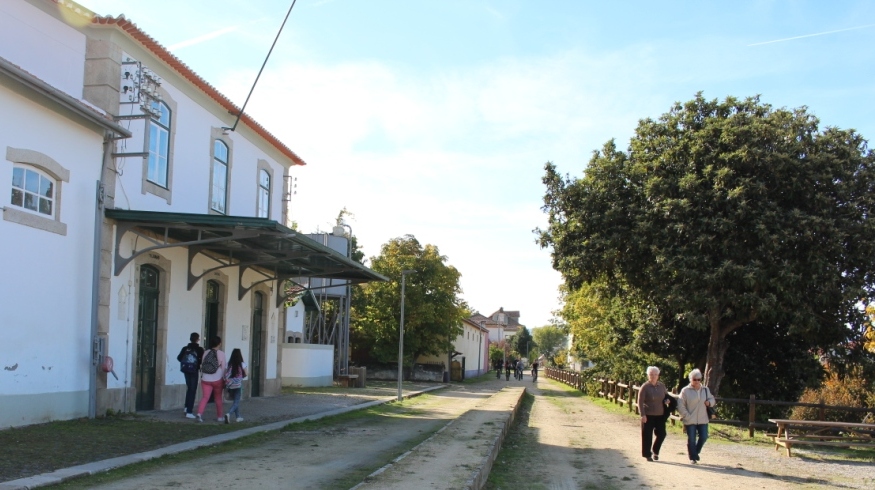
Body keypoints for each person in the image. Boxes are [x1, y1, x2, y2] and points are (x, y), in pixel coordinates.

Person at [677, 368, 716, 464]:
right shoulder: (685, 391)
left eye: (699, 379)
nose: (697, 381)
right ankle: (693, 458)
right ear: (690, 379)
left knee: (704, 437)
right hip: (690, 419)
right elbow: (680, 405)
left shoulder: (705, 389)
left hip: (703, 418)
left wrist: (709, 402)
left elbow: (712, 399)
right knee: (692, 439)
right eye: (695, 379)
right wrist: (687, 416)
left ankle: (695, 453)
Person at [637, 366, 669, 462]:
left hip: (660, 415)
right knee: (647, 435)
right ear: (648, 375)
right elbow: (640, 401)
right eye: (651, 374)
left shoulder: (661, 386)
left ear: (658, 375)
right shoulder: (645, 387)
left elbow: (666, 396)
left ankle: (655, 450)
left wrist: (667, 401)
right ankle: (647, 454)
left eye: (655, 374)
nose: (653, 376)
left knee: (662, 434)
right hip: (648, 414)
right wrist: (642, 414)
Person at [195, 336, 226, 423]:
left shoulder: (206, 352)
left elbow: (203, 364)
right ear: (219, 344)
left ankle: (199, 413)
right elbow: (224, 368)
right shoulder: (221, 354)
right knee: (218, 398)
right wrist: (224, 378)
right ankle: (219, 417)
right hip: (217, 379)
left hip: (205, 379)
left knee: (205, 397)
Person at [176, 332, 204, 419]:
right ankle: (189, 411)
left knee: (189, 388)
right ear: (198, 339)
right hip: (194, 371)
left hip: (186, 370)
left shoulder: (185, 348)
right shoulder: (200, 349)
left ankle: (186, 407)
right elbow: (202, 360)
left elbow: (179, 358)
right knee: (193, 390)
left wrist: (186, 362)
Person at [223, 348, 247, 423]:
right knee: (236, 401)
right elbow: (246, 374)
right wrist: (240, 377)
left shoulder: (229, 364)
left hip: (230, 384)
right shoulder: (242, 364)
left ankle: (238, 417)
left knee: (235, 401)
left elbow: (225, 374)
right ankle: (228, 413)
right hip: (238, 384)